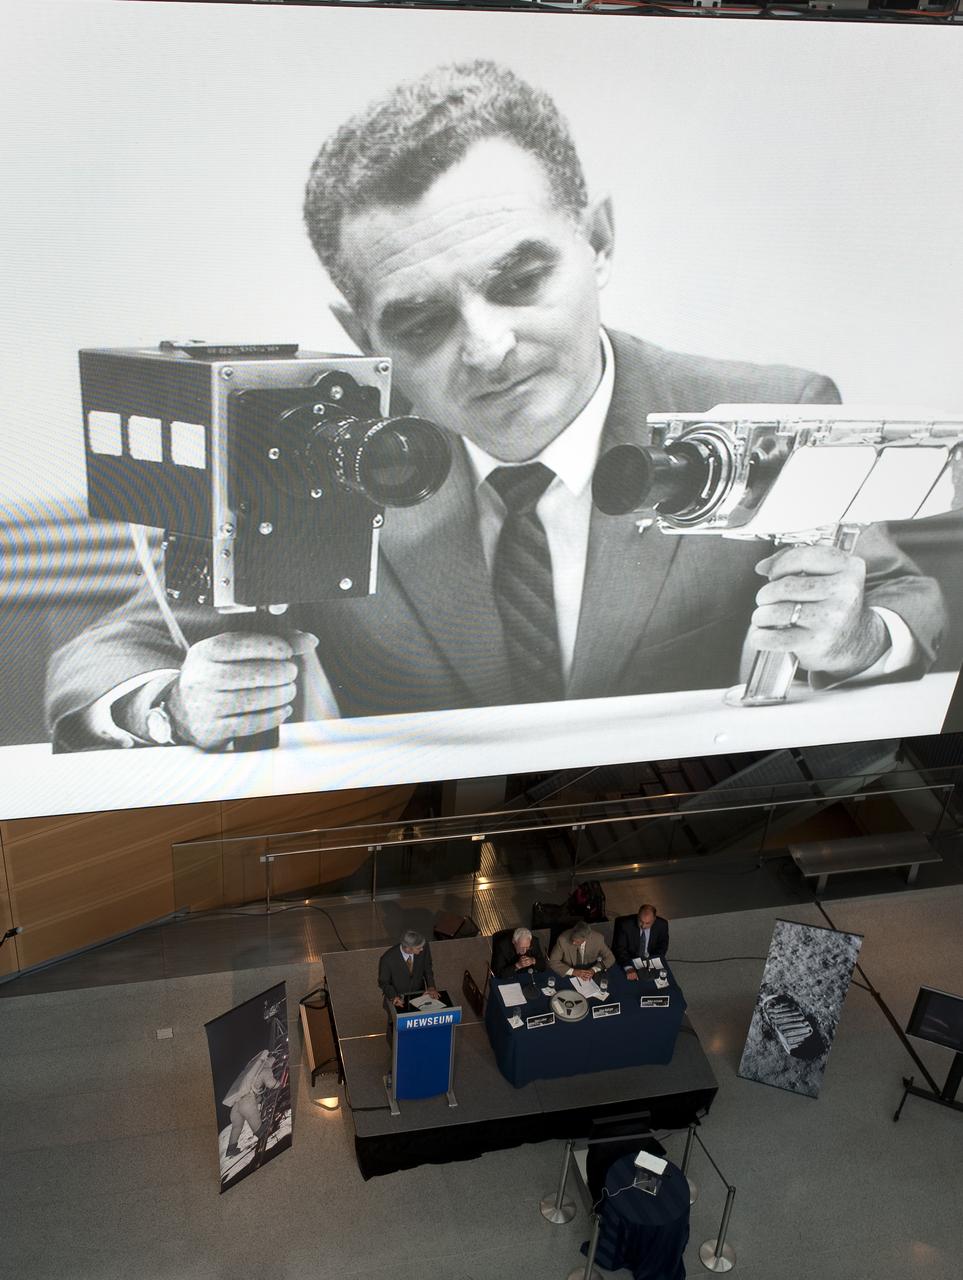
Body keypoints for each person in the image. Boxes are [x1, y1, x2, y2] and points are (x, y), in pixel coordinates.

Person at [45, 61, 944, 751]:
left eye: (519, 279)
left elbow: (909, 599)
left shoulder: (772, 412)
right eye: (421, 319)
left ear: (595, 241)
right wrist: (179, 705)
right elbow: (98, 659)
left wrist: (859, 637)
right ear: (359, 334)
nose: (486, 347)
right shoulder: (310, 460)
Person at [222, 1049, 280, 1159]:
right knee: (258, 1128)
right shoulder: (266, 1069)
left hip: (236, 1105)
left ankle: (231, 1149)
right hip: (247, 1101)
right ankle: (264, 1145)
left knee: (236, 1127)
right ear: (272, 1061)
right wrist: (280, 1084)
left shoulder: (252, 1070)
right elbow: (271, 1084)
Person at [378, 929, 440, 1029]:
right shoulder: (387, 959)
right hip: (398, 997)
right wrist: (394, 997)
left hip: (419, 994)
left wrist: (431, 986)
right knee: (397, 1028)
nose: (422, 950)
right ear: (408, 948)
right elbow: (384, 982)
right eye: (419, 948)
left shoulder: (424, 946)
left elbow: (427, 968)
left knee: (419, 1025)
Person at [612, 904, 669, 980]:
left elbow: (663, 945)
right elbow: (620, 949)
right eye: (641, 921)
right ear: (638, 916)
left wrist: (653, 960)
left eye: (647, 923)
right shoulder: (625, 925)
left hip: (649, 959)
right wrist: (628, 967)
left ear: (654, 919)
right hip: (629, 958)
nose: (643, 926)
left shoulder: (662, 925)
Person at [550, 921, 616, 981]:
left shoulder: (598, 939)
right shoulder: (562, 939)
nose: (573, 943)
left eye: (577, 941)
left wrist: (594, 969)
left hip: (589, 970)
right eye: (573, 939)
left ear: (586, 939)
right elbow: (553, 961)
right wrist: (573, 972)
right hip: (568, 969)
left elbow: (610, 958)